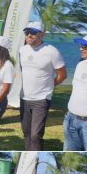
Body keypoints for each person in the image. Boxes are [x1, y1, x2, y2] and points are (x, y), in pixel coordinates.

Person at [19, 21, 66, 151]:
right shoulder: (22, 50)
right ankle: (29, 152)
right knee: (26, 132)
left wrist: (50, 87)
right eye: (26, 32)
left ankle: (36, 154)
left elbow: (62, 74)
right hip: (24, 98)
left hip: (41, 99)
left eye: (32, 32)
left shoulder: (51, 51)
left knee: (35, 134)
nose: (29, 35)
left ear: (41, 34)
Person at [64, 33, 87, 151]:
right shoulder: (80, 64)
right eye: (81, 45)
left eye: (86, 46)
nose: (81, 48)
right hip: (70, 119)